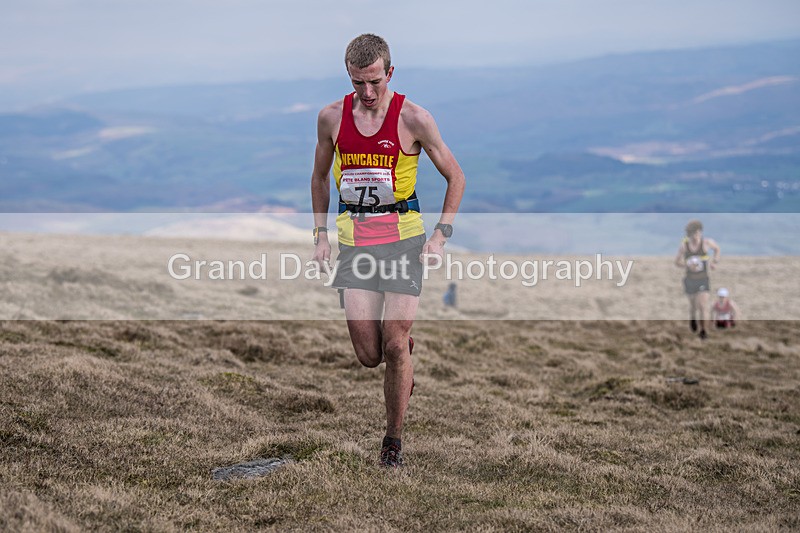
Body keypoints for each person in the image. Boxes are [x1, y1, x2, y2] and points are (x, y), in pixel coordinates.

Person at [310, 34, 465, 467]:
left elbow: (456, 176)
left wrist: (440, 236)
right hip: (355, 245)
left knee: (393, 346)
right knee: (368, 355)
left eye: (375, 81)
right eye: (358, 82)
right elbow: (319, 177)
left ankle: (392, 443)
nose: (367, 92)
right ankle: (402, 359)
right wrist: (320, 235)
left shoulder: (415, 118)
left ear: (390, 72)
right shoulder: (331, 118)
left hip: (404, 242)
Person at [674, 219, 720, 339]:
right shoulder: (684, 246)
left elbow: (717, 249)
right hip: (690, 280)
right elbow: (677, 262)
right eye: (693, 234)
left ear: (700, 232)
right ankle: (693, 318)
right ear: (689, 235)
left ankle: (703, 331)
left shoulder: (706, 243)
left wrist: (714, 262)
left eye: (697, 233)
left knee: (703, 305)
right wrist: (687, 265)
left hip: (703, 279)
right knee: (693, 305)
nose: (695, 236)